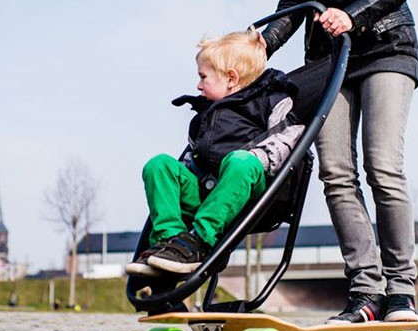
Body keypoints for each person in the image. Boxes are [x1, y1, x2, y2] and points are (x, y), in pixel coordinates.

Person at [262, 0, 418, 323]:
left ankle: (401, 291)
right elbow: (294, 2)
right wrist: (258, 45)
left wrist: (353, 16)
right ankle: (366, 290)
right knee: (335, 173)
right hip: (329, 58)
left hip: (386, 44)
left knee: (382, 167)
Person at [126, 28, 304, 277]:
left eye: (203, 77)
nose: (198, 85)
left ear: (231, 78)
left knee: (241, 162)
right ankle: (171, 241)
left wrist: (257, 158)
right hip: (203, 188)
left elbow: (287, 140)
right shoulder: (206, 113)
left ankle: (200, 240)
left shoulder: (272, 101)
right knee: (159, 165)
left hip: (245, 190)